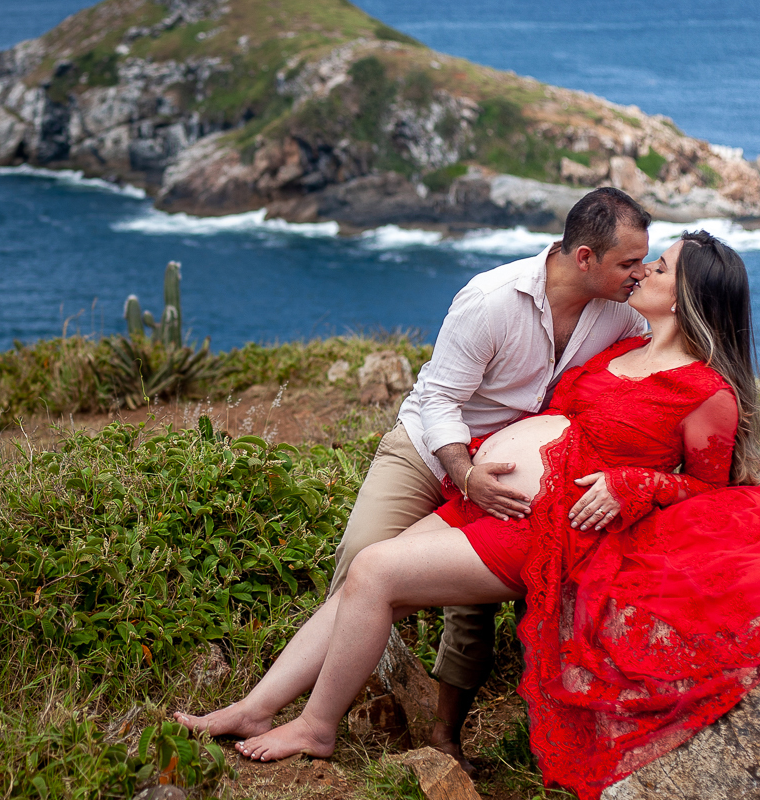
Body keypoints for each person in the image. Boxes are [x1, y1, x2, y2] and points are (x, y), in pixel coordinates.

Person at [175, 233, 760, 799]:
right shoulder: (615, 341)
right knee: (359, 578)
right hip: (492, 496)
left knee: (378, 571)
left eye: (660, 266)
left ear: (687, 295)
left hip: (551, 532)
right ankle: (255, 705)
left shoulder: (707, 392)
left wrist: (638, 487)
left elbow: (709, 492)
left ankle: (317, 728)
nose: (646, 269)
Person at [268, 187, 655, 770]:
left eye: (645, 261)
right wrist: (464, 473)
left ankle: (444, 736)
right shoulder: (491, 300)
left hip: (508, 482)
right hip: (432, 454)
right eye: (628, 262)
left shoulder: (623, 314)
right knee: (362, 561)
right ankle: (345, 708)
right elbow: (440, 400)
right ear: (584, 258)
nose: (640, 273)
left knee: (472, 619)